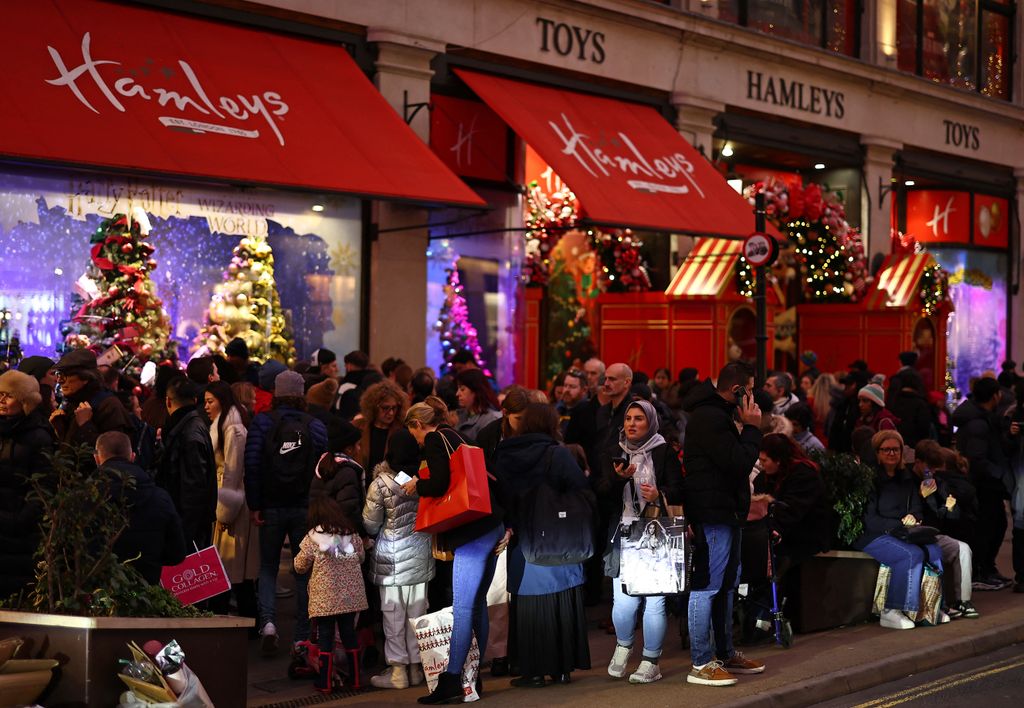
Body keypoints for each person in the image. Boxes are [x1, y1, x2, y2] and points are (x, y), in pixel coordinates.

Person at [400, 397, 507, 704]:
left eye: (414, 433)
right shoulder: (458, 435)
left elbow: (439, 483)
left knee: (462, 606)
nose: (418, 441)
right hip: (490, 524)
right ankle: (474, 677)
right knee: (476, 605)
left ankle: (451, 680)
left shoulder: (435, 438)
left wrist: (416, 487)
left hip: (471, 531)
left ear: (418, 424)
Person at [493, 403, 591, 688]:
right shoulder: (557, 453)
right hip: (558, 539)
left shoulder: (505, 453)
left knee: (528, 605)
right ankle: (562, 668)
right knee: (562, 598)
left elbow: (501, 495)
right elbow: (579, 490)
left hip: (524, 541)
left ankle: (532, 670)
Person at [682, 362, 765, 687]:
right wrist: (753, 429)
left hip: (725, 513)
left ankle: (725, 652)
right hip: (713, 514)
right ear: (738, 390)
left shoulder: (716, 415)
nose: (754, 396)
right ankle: (701, 662)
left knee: (727, 584)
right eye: (752, 388)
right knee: (708, 585)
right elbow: (738, 463)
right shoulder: (711, 418)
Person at [245, 370, 329, 656]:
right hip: (303, 507)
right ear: (302, 393)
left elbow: (253, 464)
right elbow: (322, 471)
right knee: (303, 572)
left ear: (277, 393)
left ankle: (268, 624)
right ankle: (301, 638)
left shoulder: (262, 423)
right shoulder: (315, 425)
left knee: (267, 568)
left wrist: (255, 505)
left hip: (270, 505)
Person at [603, 399, 683, 684]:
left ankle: (651, 660)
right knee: (623, 600)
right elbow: (599, 495)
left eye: (639, 418)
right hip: (623, 533)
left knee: (654, 601)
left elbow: (679, 489)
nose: (632, 424)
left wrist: (658, 495)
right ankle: (624, 647)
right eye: (628, 418)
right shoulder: (615, 451)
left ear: (651, 422)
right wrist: (618, 480)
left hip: (655, 533)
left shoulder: (663, 451)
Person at [363, 429, 433, 690]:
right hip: (420, 554)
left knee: (392, 613)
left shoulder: (380, 484)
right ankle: (417, 668)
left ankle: (397, 672)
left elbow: (370, 525)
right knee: (418, 611)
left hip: (390, 558)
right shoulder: (424, 479)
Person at [853, 430, 944, 629]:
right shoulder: (869, 479)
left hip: (904, 532)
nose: (891, 453)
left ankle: (928, 608)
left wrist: (914, 517)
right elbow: (870, 519)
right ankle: (892, 610)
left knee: (934, 550)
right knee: (910, 555)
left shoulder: (907, 478)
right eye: (886, 450)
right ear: (877, 453)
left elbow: (917, 508)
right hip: (875, 535)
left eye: (896, 449)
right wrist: (900, 524)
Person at [744, 433, 831, 631]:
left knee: (773, 564)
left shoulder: (804, 474)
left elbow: (791, 511)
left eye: (765, 460)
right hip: (776, 533)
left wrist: (772, 529)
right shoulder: (766, 477)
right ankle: (755, 619)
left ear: (779, 460)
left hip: (804, 535)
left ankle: (763, 622)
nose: (761, 463)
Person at [294, 495, 368, 694]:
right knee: (349, 634)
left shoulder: (312, 537)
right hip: (350, 596)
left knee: (325, 637)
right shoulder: (351, 534)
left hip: (325, 597)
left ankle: (325, 682)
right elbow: (361, 557)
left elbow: (299, 565)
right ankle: (356, 680)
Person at [95, 431, 186, 585]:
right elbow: (177, 553)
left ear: (97, 459)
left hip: (96, 590)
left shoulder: (83, 498)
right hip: (145, 591)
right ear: (132, 457)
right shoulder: (160, 498)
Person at [203, 382, 258, 621]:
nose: (206, 406)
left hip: (231, 502)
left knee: (230, 565)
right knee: (231, 567)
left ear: (222, 402)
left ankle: (236, 619)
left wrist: (224, 511)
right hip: (226, 497)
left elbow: (233, 472)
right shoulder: (224, 425)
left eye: (210, 401)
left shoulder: (232, 429)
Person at [952, 377, 1013, 589]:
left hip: (983, 484)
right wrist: (999, 474)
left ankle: (987, 568)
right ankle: (981, 570)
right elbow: (978, 459)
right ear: (994, 395)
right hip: (983, 485)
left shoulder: (981, 417)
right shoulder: (979, 423)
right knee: (990, 526)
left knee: (994, 525)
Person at [0, 370, 55, 598]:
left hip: (20, 533)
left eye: (8, 395)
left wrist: (18, 520)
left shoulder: (38, 436)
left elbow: (43, 486)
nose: (1, 401)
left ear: (25, 402)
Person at [912, 440, 979, 617]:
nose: (932, 473)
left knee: (963, 549)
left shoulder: (938, 481)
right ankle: (937, 605)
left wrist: (948, 505)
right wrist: (921, 497)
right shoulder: (908, 480)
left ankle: (962, 601)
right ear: (918, 462)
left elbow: (950, 516)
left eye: (935, 469)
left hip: (934, 534)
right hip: (912, 536)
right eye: (929, 468)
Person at [156, 377, 217, 550]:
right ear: (196, 400)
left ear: (168, 401)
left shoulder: (189, 432)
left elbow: (194, 487)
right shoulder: (191, 425)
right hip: (189, 521)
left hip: (187, 525)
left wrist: (184, 532)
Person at [49, 349, 134, 451]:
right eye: (59, 374)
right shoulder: (73, 402)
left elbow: (115, 453)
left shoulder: (109, 405)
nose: (60, 380)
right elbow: (69, 452)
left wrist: (85, 425)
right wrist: (61, 429)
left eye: (66, 375)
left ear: (85, 377)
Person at [356, 380, 408, 474]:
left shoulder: (402, 432)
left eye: (394, 408)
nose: (391, 413)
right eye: (385, 408)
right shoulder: (357, 427)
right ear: (373, 407)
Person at [454, 369, 502, 443]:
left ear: (476, 391)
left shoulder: (490, 419)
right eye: (458, 389)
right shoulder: (458, 416)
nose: (457, 394)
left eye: (462, 389)